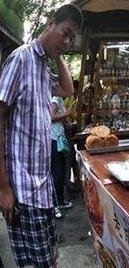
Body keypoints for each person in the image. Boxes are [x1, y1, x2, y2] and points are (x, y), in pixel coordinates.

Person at [0, 4, 107, 268]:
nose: (68, 40)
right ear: (49, 24)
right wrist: (2, 188)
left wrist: (59, 52)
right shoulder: (19, 60)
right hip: (21, 187)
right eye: (64, 32)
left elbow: (68, 90)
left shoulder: (43, 64)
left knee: (49, 261)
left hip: (42, 183)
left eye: (72, 37)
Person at [51, 82, 73, 219]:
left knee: (60, 170)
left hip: (57, 138)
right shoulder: (55, 98)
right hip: (53, 139)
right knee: (57, 172)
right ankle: (55, 204)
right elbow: (50, 117)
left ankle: (59, 200)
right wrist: (67, 113)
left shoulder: (58, 98)